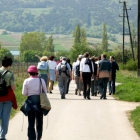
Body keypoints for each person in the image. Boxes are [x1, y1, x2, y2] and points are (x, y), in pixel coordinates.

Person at [22, 65, 47, 140]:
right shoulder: (41, 80)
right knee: (39, 122)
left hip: (30, 103)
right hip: (40, 102)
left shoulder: (26, 81)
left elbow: (24, 93)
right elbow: (45, 92)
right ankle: (38, 137)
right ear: (36, 72)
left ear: (29, 73)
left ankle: (31, 138)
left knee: (31, 122)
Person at [0, 56, 17, 140]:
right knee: (5, 118)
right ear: (9, 64)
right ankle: (2, 136)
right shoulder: (10, 73)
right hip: (7, 98)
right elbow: (13, 87)